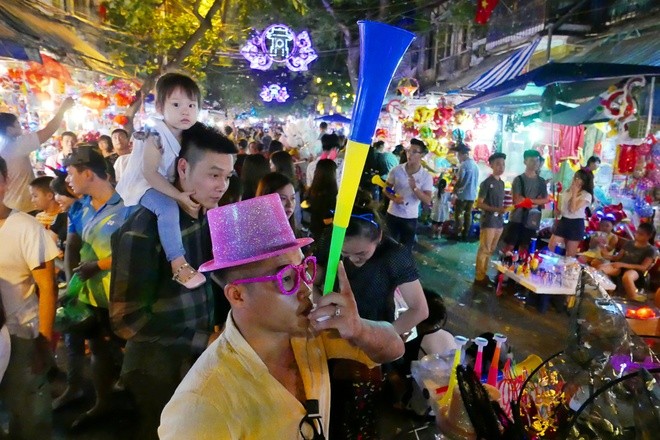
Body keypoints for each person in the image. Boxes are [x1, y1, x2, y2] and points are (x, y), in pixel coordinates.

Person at [158, 194, 404, 439]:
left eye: (303, 270)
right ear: (238, 295)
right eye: (286, 278)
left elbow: (393, 348)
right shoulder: (201, 408)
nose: (306, 289)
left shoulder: (311, 330)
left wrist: (359, 329)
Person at [110, 123, 236, 440]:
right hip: (157, 369)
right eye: (213, 174)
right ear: (182, 167)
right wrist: (200, 339)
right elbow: (127, 320)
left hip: (200, 360)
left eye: (227, 177)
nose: (222, 185)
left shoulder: (207, 215)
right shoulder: (144, 227)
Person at [314, 196, 428, 438]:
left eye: (362, 252)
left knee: (361, 405)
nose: (354, 259)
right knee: (326, 400)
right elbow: (315, 283)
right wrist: (321, 307)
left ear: (378, 238)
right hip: (332, 331)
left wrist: (387, 335)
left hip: (373, 332)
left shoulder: (394, 255)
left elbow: (419, 309)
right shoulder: (330, 240)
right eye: (346, 253)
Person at [116, 73, 206, 289]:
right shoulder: (154, 134)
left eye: (192, 105)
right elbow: (149, 173)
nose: (185, 110)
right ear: (159, 107)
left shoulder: (189, 135)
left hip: (168, 182)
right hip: (144, 185)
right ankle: (178, 264)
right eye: (176, 104)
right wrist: (178, 196)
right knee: (168, 209)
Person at [63, 145, 132, 427]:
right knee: (98, 350)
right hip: (90, 295)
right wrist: (71, 288)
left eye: (70, 174)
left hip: (125, 296)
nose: (68, 181)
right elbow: (72, 249)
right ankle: (102, 403)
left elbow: (136, 252)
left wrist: (99, 266)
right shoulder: (77, 209)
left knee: (133, 354)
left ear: (88, 173)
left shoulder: (128, 205)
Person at [0, 155, 59, 438]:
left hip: (21, 333)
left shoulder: (25, 227)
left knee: (29, 414)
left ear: (6, 183)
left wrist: (43, 341)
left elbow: (47, 286)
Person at [0, 98, 74, 212]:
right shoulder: (16, 144)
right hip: (23, 207)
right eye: (17, 124)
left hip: (7, 206)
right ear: (9, 130)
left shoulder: (3, 148)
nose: (20, 127)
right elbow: (49, 130)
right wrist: (63, 109)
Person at [384, 138, 433, 250]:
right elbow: (386, 188)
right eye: (408, 151)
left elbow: (427, 200)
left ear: (422, 155)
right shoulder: (396, 170)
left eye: (414, 151)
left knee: (406, 249)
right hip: (392, 214)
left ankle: (402, 267)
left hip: (410, 217)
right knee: (388, 246)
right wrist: (393, 198)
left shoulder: (425, 176)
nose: (410, 154)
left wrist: (415, 188)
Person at [502, 149, 550, 253]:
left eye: (537, 160)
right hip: (516, 219)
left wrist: (528, 201)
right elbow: (517, 201)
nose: (535, 163)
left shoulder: (541, 181)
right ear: (525, 162)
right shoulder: (518, 180)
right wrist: (535, 201)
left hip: (532, 220)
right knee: (509, 248)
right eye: (532, 160)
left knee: (525, 249)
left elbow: (545, 200)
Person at [596, 223, 657, 302]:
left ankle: (635, 299)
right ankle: (607, 292)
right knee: (600, 268)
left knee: (627, 277)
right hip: (620, 266)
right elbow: (617, 257)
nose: (637, 235)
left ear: (649, 236)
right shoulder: (629, 243)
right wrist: (604, 252)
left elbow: (643, 267)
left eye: (641, 234)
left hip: (635, 270)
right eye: (637, 232)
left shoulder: (650, 249)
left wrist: (623, 264)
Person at [473, 153, 507, 287]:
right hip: (489, 221)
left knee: (491, 249)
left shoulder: (502, 183)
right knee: (485, 249)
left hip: (499, 222)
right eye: (498, 163)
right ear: (491, 165)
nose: (501, 167)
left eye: (503, 164)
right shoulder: (486, 183)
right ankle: (479, 277)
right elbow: (479, 203)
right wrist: (496, 210)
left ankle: (484, 274)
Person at [548, 169, 593, 257]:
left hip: (575, 224)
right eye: (575, 177)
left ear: (584, 182)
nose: (575, 179)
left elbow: (573, 209)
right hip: (564, 221)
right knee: (552, 246)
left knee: (570, 254)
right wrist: (558, 211)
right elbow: (565, 209)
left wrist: (575, 193)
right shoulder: (567, 191)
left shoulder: (586, 195)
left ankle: (567, 269)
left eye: (578, 178)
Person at [28, 176, 68, 246]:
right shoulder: (38, 217)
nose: (32, 200)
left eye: (35, 196)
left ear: (49, 196)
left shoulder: (62, 215)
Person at [452, 142, 479, 240]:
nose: (458, 157)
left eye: (458, 155)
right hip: (472, 195)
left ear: (463, 154)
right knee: (468, 215)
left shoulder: (464, 165)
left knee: (459, 215)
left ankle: (457, 234)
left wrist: (455, 190)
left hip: (463, 195)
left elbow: (461, 180)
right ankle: (466, 234)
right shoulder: (475, 165)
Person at [306, 158, 338, 240]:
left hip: (314, 228)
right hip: (325, 233)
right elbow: (328, 219)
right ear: (332, 174)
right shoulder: (330, 195)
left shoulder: (312, 190)